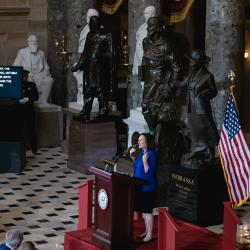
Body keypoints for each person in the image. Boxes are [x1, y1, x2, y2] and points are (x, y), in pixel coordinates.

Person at [72, 16, 114, 121]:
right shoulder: (89, 35)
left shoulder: (106, 36)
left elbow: (111, 53)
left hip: (100, 68)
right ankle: (85, 112)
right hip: (89, 67)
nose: (89, 25)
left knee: (100, 90)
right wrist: (77, 66)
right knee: (87, 89)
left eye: (91, 23)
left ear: (96, 24)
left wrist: (101, 57)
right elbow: (85, 52)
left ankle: (103, 112)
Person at [183, 50, 219, 161]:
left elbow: (214, 91)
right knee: (193, 129)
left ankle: (210, 151)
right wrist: (171, 81)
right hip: (191, 106)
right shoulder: (192, 73)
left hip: (201, 107)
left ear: (199, 63)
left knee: (205, 129)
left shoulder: (208, 76)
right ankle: (197, 151)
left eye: (192, 61)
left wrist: (203, 94)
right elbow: (184, 84)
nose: (190, 63)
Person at [130, 133, 157, 243]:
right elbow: (137, 167)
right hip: (139, 186)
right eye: (139, 140)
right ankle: (146, 232)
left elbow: (149, 173)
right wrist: (133, 158)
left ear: (147, 142)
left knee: (148, 211)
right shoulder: (142, 152)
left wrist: (145, 161)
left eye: (141, 140)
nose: (138, 142)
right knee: (144, 212)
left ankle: (150, 235)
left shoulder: (152, 154)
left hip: (148, 187)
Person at [13, 35, 53, 106]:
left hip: (39, 75)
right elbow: (15, 66)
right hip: (27, 75)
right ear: (28, 42)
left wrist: (45, 74)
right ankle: (26, 100)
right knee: (28, 81)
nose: (34, 43)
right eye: (32, 42)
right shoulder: (22, 52)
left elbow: (46, 67)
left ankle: (43, 101)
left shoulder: (41, 53)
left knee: (49, 80)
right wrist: (23, 74)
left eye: (36, 42)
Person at [73, 8, 99, 105]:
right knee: (79, 73)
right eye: (87, 16)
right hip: (84, 58)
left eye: (90, 16)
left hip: (95, 60)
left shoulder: (99, 30)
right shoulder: (85, 29)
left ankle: (93, 96)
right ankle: (82, 95)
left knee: (93, 77)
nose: (87, 18)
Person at [132, 6, 156, 78]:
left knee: (147, 80)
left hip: (148, 59)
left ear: (153, 14)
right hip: (139, 58)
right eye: (144, 13)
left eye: (147, 13)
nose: (144, 15)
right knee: (140, 79)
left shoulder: (156, 27)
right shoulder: (142, 26)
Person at [21, 69, 39, 153]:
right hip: (19, 110)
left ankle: (33, 148)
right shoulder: (17, 85)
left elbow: (36, 97)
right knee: (20, 129)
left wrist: (28, 98)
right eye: (24, 76)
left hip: (29, 110)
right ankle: (23, 147)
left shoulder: (31, 85)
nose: (25, 78)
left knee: (31, 129)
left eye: (26, 76)